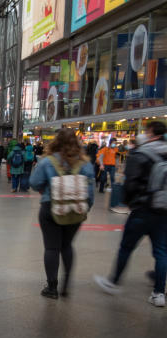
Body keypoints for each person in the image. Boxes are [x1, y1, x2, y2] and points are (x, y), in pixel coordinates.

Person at [94, 121, 167, 307]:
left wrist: (128, 202)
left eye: (146, 131)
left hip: (142, 210)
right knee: (161, 252)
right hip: (163, 209)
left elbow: (130, 183)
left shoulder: (141, 154)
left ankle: (113, 282)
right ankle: (159, 293)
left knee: (126, 247)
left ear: (152, 133)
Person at [30, 128, 94, 299]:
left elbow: (34, 182)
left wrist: (46, 190)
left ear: (56, 141)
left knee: (52, 247)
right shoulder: (85, 164)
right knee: (66, 246)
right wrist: (86, 208)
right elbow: (90, 192)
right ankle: (66, 285)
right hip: (75, 210)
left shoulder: (47, 161)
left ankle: (51, 288)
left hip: (50, 207)